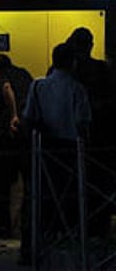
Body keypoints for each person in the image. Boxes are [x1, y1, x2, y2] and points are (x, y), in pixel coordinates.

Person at [23, 43, 91, 256]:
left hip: (44, 148)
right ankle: (67, 241)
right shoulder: (77, 88)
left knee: (41, 198)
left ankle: (36, 246)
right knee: (70, 197)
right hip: (71, 149)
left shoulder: (38, 86)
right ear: (73, 63)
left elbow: (29, 117)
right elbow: (83, 122)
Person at [65, 27, 115, 241]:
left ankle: (74, 230)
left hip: (67, 140)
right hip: (100, 139)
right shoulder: (102, 69)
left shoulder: (65, 73)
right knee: (98, 188)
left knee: (71, 188)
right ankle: (98, 230)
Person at [0, 54, 33, 258]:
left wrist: (14, 114)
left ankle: (3, 226)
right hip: (28, 131)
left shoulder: (1, 77)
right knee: (28, 182)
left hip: (9, 132)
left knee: (2, 182)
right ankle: (26, 225)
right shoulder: (23, 73)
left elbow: (7, 89)